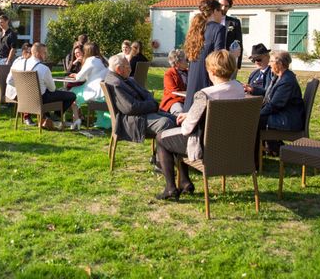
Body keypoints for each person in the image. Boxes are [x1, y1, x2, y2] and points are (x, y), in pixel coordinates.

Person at [155, 50, 245, 201]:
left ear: (212, 70)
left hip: (206, 147)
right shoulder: (238, 88)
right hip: (232, 145)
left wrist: (187, 118)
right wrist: (190, 114)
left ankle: (171, 187)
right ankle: (184, 182)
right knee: (174, 138)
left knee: (162, 138)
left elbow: (187, 129)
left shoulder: (205, 94)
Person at [104, 55, 175, 145]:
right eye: (128, 67)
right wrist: (152, 105)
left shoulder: (127, 79)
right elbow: (130, 108)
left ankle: (174, 155)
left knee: (175, 119)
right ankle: (162, 157)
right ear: (119, 69)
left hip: (142, 113)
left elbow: (146, 93)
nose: (130, 69)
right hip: (131, 119)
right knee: (166, 123)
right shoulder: (115, 83)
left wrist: (151, 103)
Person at [6, 43, 76, 130]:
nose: (46, 55)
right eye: (45, 53)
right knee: (71, 95)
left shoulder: (18, 64)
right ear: (38, 54)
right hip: (40, 99)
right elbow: (52, 89)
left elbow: (9, 81)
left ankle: (49, 118)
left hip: (22, 97)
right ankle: (55, 117)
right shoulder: (43, 68)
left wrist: (22, 88)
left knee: (53, 91)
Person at [183, 0, 225, 111]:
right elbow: (218, 58)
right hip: (207, 76)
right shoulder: (219, 28)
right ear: (215, 11)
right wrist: (232, 54)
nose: (222, 15)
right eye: (221, 12)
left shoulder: (197, 28)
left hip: (193, 76)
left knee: (191, 109)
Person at [260, 51, 305, 142]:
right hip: (283, 115)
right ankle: (266, 149)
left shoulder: (286, 81)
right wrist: (253, 90)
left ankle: (254, 153)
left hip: (286, 119)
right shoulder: (280, 77)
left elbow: (274, 105)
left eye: (271, 61)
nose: (269, 64)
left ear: (279, 64)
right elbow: (271, 94)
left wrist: (256, 113)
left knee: (252, 120)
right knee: (254, 119)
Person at [68, 42, 109, 129]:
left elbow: (80, 78)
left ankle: (76, 119)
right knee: (75, 93)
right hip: (105, 92)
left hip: (94, 92)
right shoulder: (104, 59)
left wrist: (75, 75)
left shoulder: (91, 60)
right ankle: (77, 119)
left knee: (71, 94)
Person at [217, 0, 243, 73]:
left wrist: (238, 63)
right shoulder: (209, 21)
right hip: (213, 60)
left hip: (229, 60)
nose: (223, 8)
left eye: (226, 6)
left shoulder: (235, 22)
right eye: (221, 5)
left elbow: (239, 42)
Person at [160, 49, 188, 115]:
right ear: (177, 63)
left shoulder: (189, 72)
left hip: (189, 99)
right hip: (174, 100)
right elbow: (173, 92)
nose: (188, 61)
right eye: (185, 60)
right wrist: (187, 97)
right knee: (179, 111)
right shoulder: (169, 74)